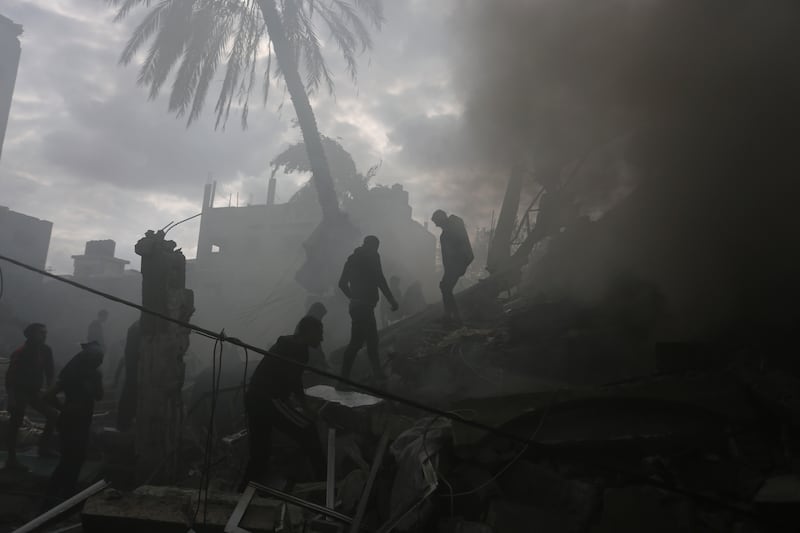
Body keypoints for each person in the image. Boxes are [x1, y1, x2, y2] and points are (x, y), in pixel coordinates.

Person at [240, 316, 326, 489]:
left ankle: (241, 492)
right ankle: (324, 484)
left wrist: (298, 405)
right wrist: (306, 408)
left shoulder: (288, 343)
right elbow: (293, 382)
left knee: (260, 454)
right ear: (309, 332)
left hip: (254, 397)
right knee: (308, 430)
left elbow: (289, 379)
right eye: (319, 333)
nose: (322, 338)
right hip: (268, 399)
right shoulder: (299, 350)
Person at [42, 341, 104, 509]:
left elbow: (47, 396)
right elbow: (99, 396)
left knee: (69, 459)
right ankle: (63, 496)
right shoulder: (93, 374)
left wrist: (63, 408)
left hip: (68, 420)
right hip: (79, 421)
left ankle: (56, 496)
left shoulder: (70, 372)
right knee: (75, 459)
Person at [338, 236, 398, 383]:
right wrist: (392, 300)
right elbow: (380, 280)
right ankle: (344, 379)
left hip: (357, 306)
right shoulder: (372, 257)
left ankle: (370, 374)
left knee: (365, 341)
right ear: (374, 246)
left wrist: (353, 297)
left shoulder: (352, 259)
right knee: (362, 342)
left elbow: (342, 284)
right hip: (364, 307)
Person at [4, 323, 58, 469]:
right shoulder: (20, 352)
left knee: (53, 415)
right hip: (19, 391)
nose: (45, 335)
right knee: (15, 423)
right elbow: (10, 377)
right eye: (41, 333)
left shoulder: (46, 350)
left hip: (34, 392)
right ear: (31, 335)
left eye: (45, 333)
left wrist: (50, 392)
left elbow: (50, 373)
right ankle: (11, 458)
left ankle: (44, 448)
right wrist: (12, 398)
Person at [431, 210, 474, 325]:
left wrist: (452, 268)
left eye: (436, 222)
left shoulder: (449, 231)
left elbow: (452, 253)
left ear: (441, 219)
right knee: (445, 287)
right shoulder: (450, 229)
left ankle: (453, 316)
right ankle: (451, 315)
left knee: (445, 287)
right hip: (457, 263)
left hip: (458, 263)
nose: (436, 225)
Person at [115, 320, 140, 431]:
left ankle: (125, 422)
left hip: (132, 374)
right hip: (135, 373)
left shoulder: (134, 327)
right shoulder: (138, 328)